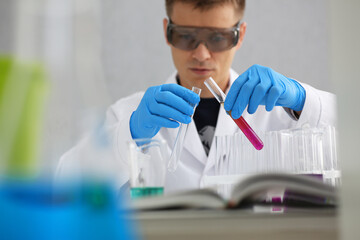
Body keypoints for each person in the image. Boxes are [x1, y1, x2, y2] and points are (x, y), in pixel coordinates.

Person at [57, 0, 336, 193]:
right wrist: (129, 134)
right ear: (167, 31)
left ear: (240, 36)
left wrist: (305, 102)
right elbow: (64, 184)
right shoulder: (129, 114)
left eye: (218, 38)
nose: (201, 54)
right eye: (186, 36)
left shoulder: (278, 112)